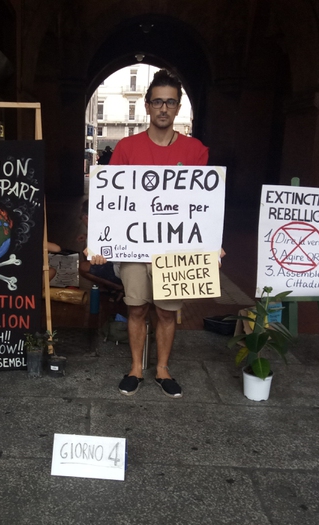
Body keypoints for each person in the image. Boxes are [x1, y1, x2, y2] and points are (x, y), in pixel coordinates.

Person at [90, 68, 219, 399]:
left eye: (170, 102)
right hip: (134, 246)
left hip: (172, 249)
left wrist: (210, 245)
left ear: (178, 107)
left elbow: (202, 204)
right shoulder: (126, 149)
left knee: (165, 310)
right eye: (158, 101)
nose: (164, 108)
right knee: (135, 307)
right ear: (147, 106)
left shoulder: (195, 152)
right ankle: (135, 367)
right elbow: (111, 201)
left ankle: (161, 368)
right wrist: (103, 242)